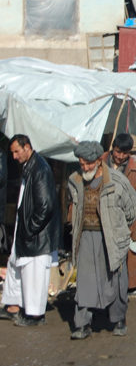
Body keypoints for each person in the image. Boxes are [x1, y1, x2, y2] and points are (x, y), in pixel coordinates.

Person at [68, 141, 136, 339]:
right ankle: (82, 324)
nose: (85, 168)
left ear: (99, 161)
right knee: (84, 281)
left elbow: (132, 208)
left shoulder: (117, 181)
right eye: (82, 164)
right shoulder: (75, 181)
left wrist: (117, 228)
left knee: (114, 279)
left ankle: (118, 320)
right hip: (85, 236)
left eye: (89, 163)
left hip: (110, 238)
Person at [0, 135, 60, 327]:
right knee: (16, 267)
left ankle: (35, 315)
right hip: (26, 230)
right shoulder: (30, 166)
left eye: (17, 152)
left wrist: (30, 229)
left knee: (34, 274)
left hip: (36, 235)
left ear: (27, 147)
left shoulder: (40, 169)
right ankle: (13, 306)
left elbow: (45, 206)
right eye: (12, 153)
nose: (14, 156)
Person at [103, 133, 136, 299]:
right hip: (104, 213)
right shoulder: (101, 162)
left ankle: (132, 285)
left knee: (129, 251)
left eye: (124, 153)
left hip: (125, 216)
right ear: (113, 148)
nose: (120, 156)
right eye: (117, 151)